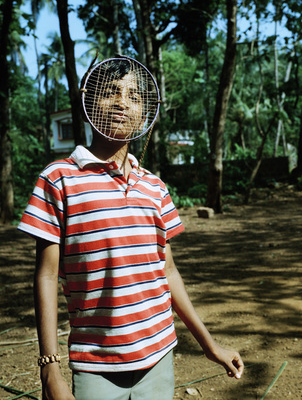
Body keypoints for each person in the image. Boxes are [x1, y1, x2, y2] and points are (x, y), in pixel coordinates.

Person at [18, 59, 244, 400]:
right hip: (96, 365)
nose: (123, 102)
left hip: (159, 356)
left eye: (134, 96)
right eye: (111, 92)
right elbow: (47, 276)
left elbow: (167, 271)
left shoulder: (154, 187)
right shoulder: (58, 179)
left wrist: (209, 345)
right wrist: (50, 368)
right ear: (88, 103)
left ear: (145, 112)